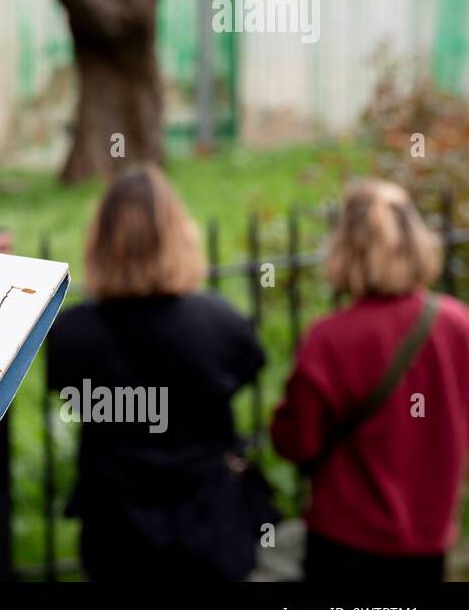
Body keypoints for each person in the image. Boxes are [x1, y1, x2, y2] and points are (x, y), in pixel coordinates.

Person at [46, 165, 270, 581]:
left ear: (101, 241)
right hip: (207, 524)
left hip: (116, 528)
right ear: (180, 235)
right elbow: (250, 366)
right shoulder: (217, 323)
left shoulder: (72, 333)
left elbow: (64, 386)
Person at [272, 179, 469, 582]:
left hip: (346, 537)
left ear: (346, 249)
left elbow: (296, 442)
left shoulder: (330, 339)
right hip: (427, 535)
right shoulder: (456, 324)